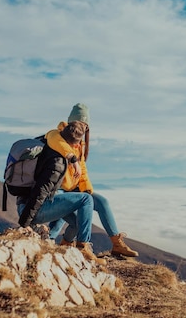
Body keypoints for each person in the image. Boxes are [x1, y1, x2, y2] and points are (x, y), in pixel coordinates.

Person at [46, 103, 139, 258]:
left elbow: (82, 171)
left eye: (85, 125)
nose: (81, 128)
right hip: (58, 188)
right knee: (66, 215)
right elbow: (59, 144)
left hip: (74, 187)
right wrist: (72, 158)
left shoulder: (80, 143)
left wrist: (87, 190)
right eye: (79, 123)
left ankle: (117, 243)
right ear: (70, 122)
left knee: (102, 202)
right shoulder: (56, 134)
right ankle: (53, 241)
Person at [16, 121, 106, 266]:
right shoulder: (57, 162)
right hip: (32, 208)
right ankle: (83, 246)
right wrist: (25, 223)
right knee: (86, 200)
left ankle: (60, 244)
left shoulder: (51, 143)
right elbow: (41, 191)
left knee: (76, 224)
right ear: (73, 144)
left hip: (29, 204)